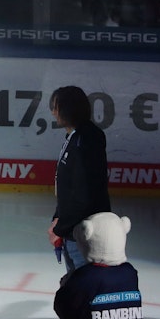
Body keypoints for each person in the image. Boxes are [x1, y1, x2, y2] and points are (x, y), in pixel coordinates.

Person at [47, 86, 111, 274]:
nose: (53, 112)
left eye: (57, 107)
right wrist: (58, 218)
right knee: (76, 287)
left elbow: (84, 193)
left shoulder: (87, 139)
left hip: (85, 233)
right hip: (73, 230)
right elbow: (68, 187)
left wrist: (61, 227)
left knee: (84, 287)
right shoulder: (74, 137)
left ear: (69, 108)